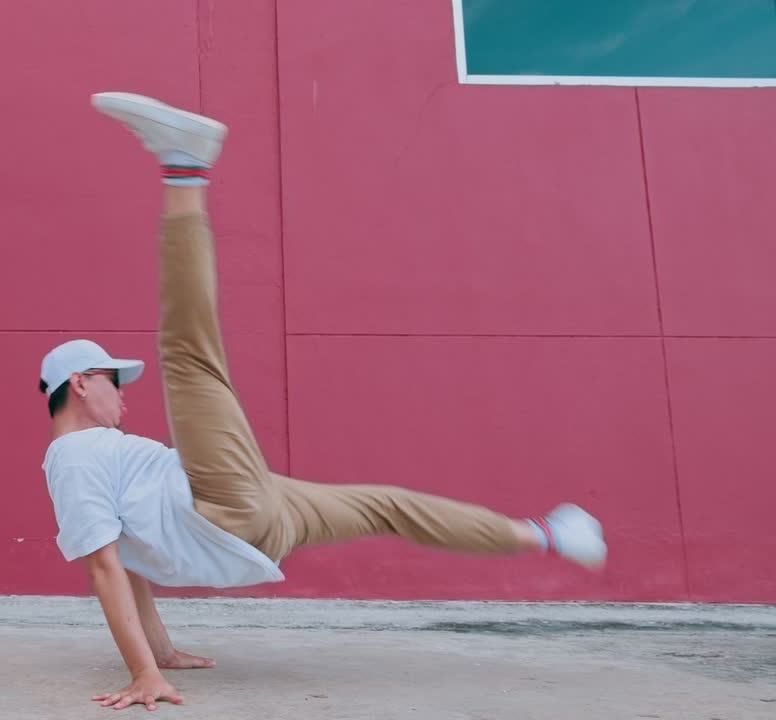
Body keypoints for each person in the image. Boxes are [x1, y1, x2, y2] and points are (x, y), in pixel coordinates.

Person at [38, 92, 606, 712]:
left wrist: (162, 653)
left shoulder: (109, 455)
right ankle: (184, 167)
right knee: (189, 355)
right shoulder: (74, 458)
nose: (123, 397)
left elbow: (133, 564)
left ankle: (548, 535)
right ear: (82, 383)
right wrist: (144, 674)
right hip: (225, 507)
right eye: (114, 382)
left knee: (388, 505)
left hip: (261, 518)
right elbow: (105, 570)